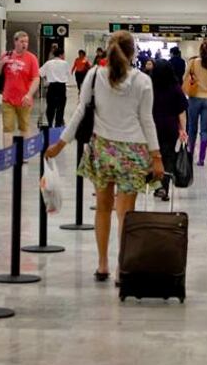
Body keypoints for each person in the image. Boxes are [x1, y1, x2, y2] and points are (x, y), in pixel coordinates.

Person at [46, 31, 163, 283]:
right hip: (133, 151)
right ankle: (123, 267)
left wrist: (61, 143)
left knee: (102, 208)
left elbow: (79, 111)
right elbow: (147, 120)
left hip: (102, 149)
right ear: (133, 53)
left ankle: (102, 264)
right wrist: (157, 156)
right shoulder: (142, 80)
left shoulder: (95, 75)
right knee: (125, 212)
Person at [0, 31, 40, 147]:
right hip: (8, 99)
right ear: (15, 41)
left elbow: (36, 78)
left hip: (24, 100)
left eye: (26, 42)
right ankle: (8, 153)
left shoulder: (31, 58)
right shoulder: (6, 55)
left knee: (24, 127)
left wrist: (29, 94)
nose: (25, 44)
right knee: (7, 128)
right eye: (22, 41)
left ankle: (24, 153)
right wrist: (2, 63)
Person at [150, 59, 188, 201]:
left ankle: (156, 186)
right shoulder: (175, 88)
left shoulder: (150, 87)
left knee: (155, 157)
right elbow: (181, 111)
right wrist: (183, 129)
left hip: (152, 127)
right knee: (168, 158)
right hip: (170, 127)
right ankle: (164, 188)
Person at [185, 40, 207, 166]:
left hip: (194, 98)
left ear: (200, 50)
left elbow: (185, 77)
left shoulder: (193, 62)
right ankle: (201, 158)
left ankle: (190, 155)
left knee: (192, 128)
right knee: (204, 130)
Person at [40, 46, 69, 128]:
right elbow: (67, 74)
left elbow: (40, 73)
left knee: (50, 106)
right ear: (61, 55)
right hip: (61, 87)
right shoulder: (65, 63)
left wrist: (47, 78)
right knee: (60, 107)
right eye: (63, 54)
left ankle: (49, 124)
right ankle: (58, 125)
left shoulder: (48, 63)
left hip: (51, 86)